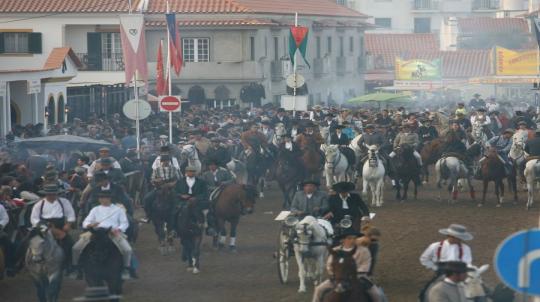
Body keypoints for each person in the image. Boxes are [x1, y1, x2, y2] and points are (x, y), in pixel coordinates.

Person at [72, 191, 132, 280]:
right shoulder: (95, 209)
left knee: (127, 249)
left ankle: (126, 269)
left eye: (105, 198)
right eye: (101, 198)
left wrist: (118, 229)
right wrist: (90, 225)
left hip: (112, 232)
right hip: (96, 232)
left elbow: (124, 223)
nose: (103, 200)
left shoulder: (118, 209)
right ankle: (76, 268)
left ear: (110, 198)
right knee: (76, 248)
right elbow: (86, 222)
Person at [312, 229, 381, 302]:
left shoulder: (364, 251)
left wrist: (352, 273)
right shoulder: (335, 250)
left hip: (359, 278)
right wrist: (336, 274)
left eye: (354, 238)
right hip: (338, 278)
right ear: (343, 240)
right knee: (319, 289)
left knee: (376, 293)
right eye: (349, 238)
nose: (353, 240)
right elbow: (329, 265)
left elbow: (365, 265)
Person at [418, 224, 473, 301]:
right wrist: (434, 267)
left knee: (477, 288)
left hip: (458, 272)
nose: (458, 240)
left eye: (460, 238)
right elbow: (424, 258)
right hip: (441, 271)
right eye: (456, 237)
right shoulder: (435, 246)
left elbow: (467, 262)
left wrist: (466, 271)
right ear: (449, 235)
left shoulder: (465, 248)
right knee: (426, 290)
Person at [30, 184, 76, 273]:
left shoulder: (64, 202)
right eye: (49, 194)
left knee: (70, 243)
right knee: (27, 241)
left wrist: (68, 224)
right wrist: (46, 229)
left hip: (60, 226)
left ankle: (68, 265)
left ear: (57, 194)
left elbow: (71, 214)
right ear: (45, 194)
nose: (51, 196)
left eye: (54, 194)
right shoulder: (39, 204)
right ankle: (18, 264)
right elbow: (34, 219)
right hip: (42, 226)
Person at [142, 155, 180, 222]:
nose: (165, 162)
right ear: (161, 161)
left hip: (171, 187)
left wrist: (173, 183)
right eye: (164, 161)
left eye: (167, 161)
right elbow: (152, 179)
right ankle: (148, 215)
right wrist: (155, 182)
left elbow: (179, 179)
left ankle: (176, 215)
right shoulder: (157, 169)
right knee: (147, 199)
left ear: (169, 161)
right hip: (159, 187)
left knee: (176, 199)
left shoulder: (174, 169)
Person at [175, 166, 209, 230]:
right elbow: (175, 192)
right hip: (182, 201)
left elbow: (205, 193)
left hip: (197, 202)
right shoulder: (180, 181)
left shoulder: (201, 182)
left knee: (210, 212)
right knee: (174, 212)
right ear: (186, 172)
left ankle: (207, 227)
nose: (192, 173)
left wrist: (196, 198)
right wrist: (181, 196)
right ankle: (173, 229)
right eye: (190, 171)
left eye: (193, 171)